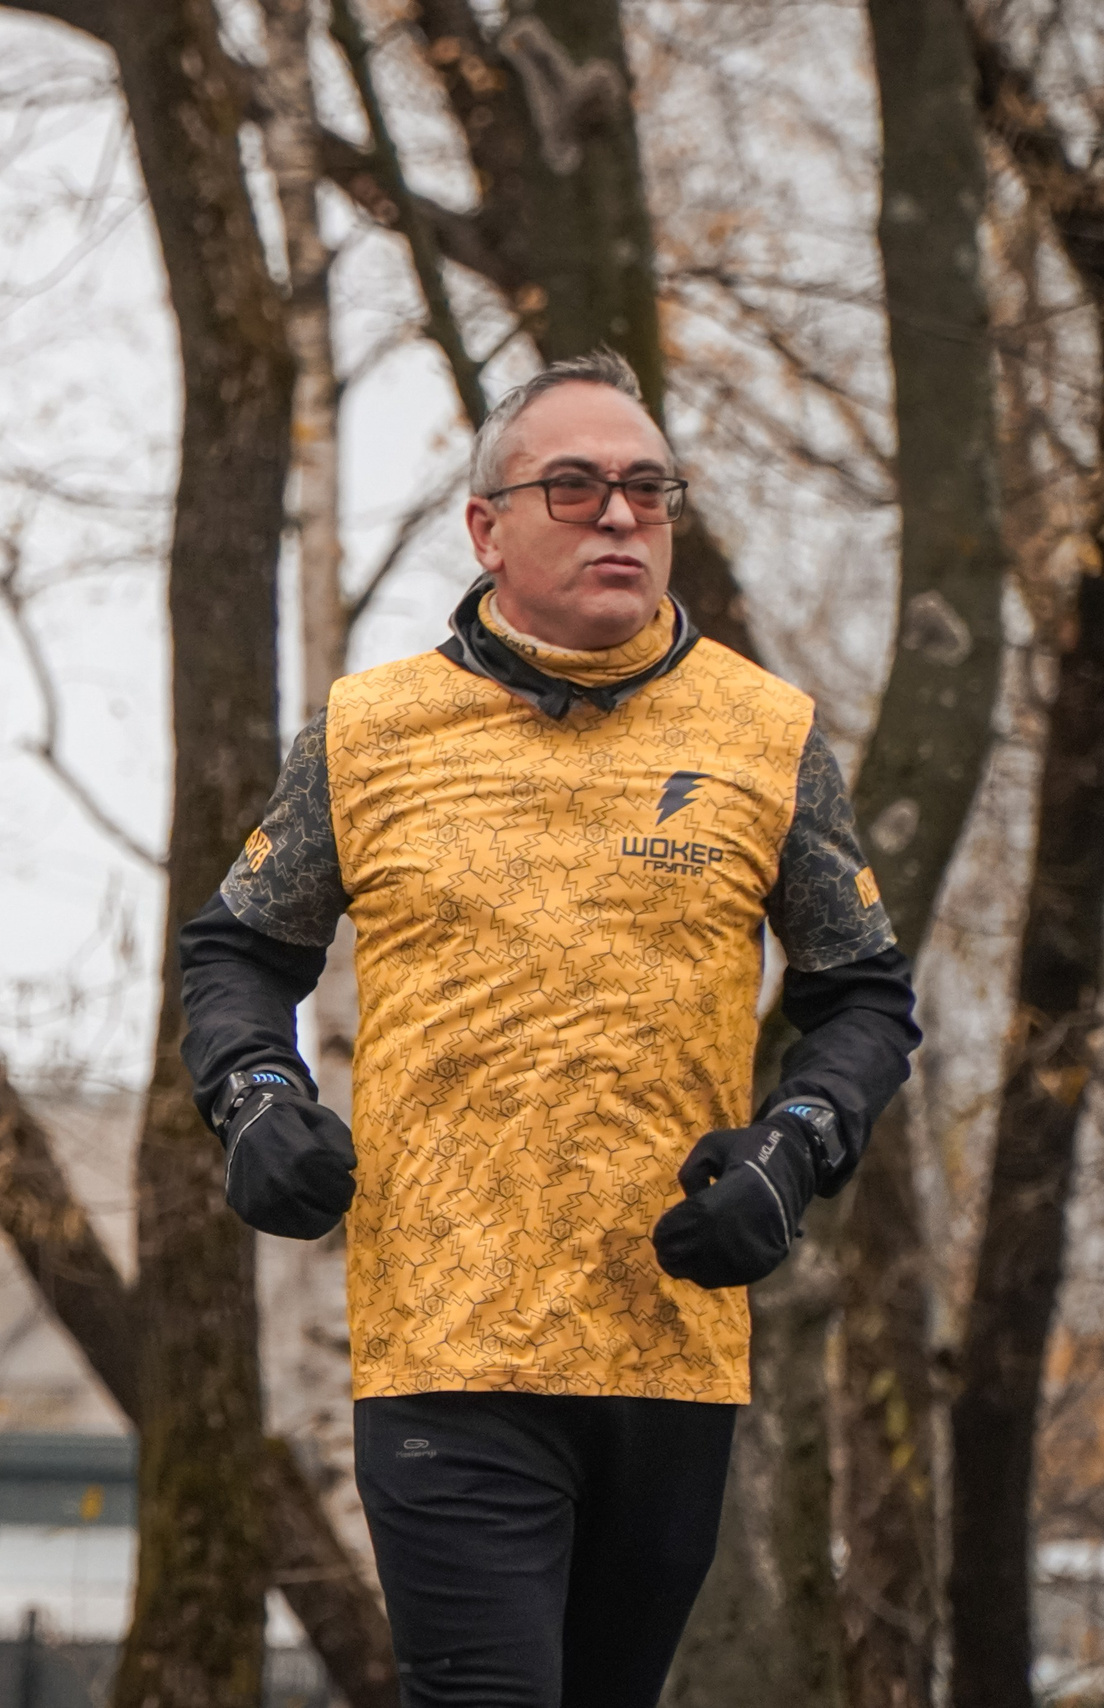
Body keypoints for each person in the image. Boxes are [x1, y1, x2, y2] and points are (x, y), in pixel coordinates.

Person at [179, 350, 920, 1708]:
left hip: (671, 1343)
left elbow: (864, 995)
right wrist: (258, 1096)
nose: (620, 517)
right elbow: (234, 952)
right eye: (574, 488)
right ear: (488, 525)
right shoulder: (371, 731)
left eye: (648, 489)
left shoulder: (765, 733)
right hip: (445, 1348)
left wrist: (793, 1152)